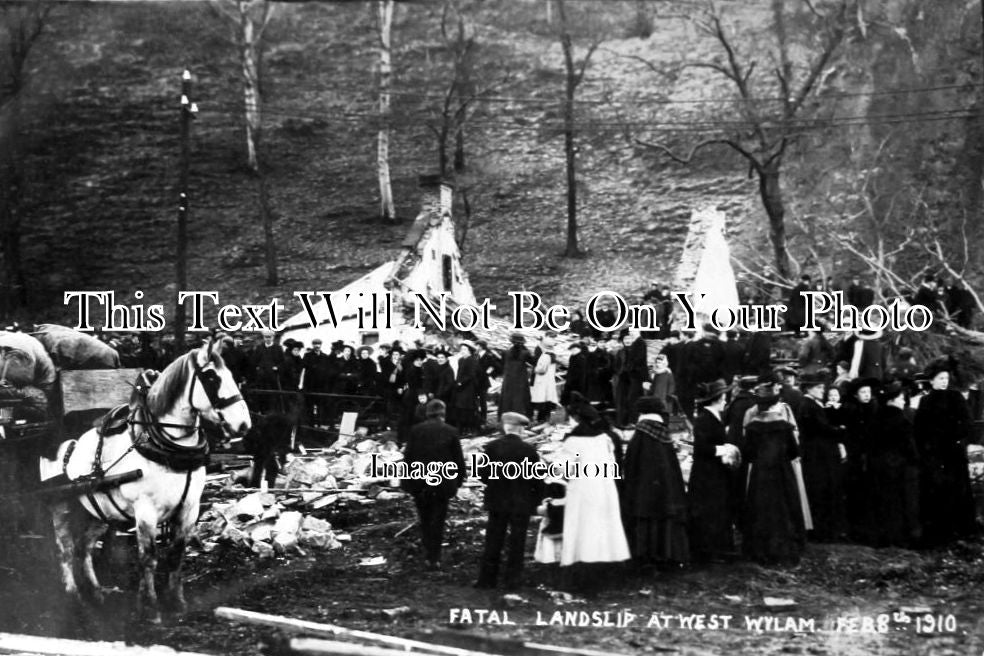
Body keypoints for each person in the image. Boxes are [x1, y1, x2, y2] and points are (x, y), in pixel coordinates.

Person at [556, 395, 631, 592]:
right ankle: (607, 573)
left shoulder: (573, 441)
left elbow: (564, 470)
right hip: (604, 489)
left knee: (582, 531)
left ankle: (583, 577)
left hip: (582, 491)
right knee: (603, 532)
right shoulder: (604, 438)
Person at [475, 412, 545, 589]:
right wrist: (537, 502)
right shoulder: (529, 450)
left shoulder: (491, 447)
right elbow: (537, 479)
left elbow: (482, 476)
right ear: (521, 429)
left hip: (497, 502)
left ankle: (487, 580)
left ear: (505, 427)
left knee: (493, 540)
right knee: (517, 542)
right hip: (521, 503)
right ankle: (513, 581)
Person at [622, 396, 689, 571]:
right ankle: (667, 554)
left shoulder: (640, 434)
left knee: (646, 522)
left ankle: (646, 556)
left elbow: (630, 464)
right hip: (666, 492)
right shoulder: (663, 433)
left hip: (643, 493)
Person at [741, 382, 807, 565]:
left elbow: (748, 454)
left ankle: (760, 551)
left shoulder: (753, 427)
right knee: (783, 509)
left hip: (761, 475)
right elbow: (794, 452)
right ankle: (783, 549)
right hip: (782, 473)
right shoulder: (784, 426)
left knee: (761, 510)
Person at [914, 360, 976, 546]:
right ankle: (938, 533)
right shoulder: (925, 401)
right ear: (931, 381)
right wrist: (927, 448)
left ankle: (961, 531)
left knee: (957, 489)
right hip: (934, 454)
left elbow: (967, 422)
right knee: (936, 490)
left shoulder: (955, 397)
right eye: (940, 378)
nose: (944, 382)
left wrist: (955, 437)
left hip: (953, 452)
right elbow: (920, 429)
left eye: (946, 378)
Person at [401, 400, 466, 570]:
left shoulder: (416, 431)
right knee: (438, 519)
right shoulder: (451, 431)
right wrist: (457, 483)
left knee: (424, 518)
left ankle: (427, 553)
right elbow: (458, 461)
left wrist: (407, 483)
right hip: (443, 483)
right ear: (443, 413)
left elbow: (408, 458)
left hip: (420, 482)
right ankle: (434, 557)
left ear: (427, 413)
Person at [688, 379, 741, 562]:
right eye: (724, 397)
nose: (726, 401)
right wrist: (723, 449)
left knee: (717, 508)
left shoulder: (714, 417)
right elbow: (700, 448)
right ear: (717, 399)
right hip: (707, 473)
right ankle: (710, 551)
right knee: (711, 509)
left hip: (714, 471)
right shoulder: (705, 419)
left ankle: (717, 549)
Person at [868, 381, 920, 547]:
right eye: (900, 398)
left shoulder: (876, 417)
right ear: (891, 400)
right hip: (899, 467)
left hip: (880, 465)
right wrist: (915, 460)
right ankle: (900, 538)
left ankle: (883, 537)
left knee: (883, 502)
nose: (903, 402)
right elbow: (909, 446)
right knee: (900, 502)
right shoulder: (901, 419)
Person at [795, 371, 846, 542]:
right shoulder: (808, 405)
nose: (822, 390)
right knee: (820, 491)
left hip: (819, 453)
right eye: (818, 387)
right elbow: (821, 428)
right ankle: (822, 532)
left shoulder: (813, 404)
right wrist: (841, 431)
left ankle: (824, 530)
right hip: (817, 454)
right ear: (809, 388)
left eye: (822, 387)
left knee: (822, 491)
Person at [842, 377, 879, 541]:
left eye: (868, 392)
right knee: (855, 490)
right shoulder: (850, 410)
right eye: (863, 392)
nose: (867, 395)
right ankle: (855, 529)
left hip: (870, 454)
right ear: (856, 395)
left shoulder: (874, 408)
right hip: (855, 455)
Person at [248, 329, 284, 412]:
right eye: (266, 337)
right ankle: (262, 413)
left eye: (269, 337)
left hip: (273, 377)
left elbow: (282, 362)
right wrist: (257, 368)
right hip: (261, 377)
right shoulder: (259, 348)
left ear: (273, 338)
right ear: (263, 338)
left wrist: (277, 367)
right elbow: (253, 361)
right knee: (262, 396)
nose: (268, 339)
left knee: (273, 397)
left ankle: (273, 413)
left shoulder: (278, 348)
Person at [499, 333, 533, 418]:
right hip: (521, 380)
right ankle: (522, 416)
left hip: (508, 380)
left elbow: (502, 364)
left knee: (507, 398)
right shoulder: (525, 353)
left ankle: (505, 416)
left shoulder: (505, 352)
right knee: (521, 398)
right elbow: (533, 361)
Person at [530, 337, 559, 423]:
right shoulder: (553, 355)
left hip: (542, 380)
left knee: (542, 400)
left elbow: (542, 369)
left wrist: (535, 369)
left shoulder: (545, 356)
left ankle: (541, 419)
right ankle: (546, 418)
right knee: (548, 400)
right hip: (549, 381)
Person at [453, 341, 480, 433]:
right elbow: (459, 373)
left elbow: (471, 375)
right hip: (460, 387)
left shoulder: (472, 360)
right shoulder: (460, 360)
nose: (462, 351)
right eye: (461, 349)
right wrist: (457, 382)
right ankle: (461, 428)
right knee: (460, 407)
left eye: (465, 349)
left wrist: (461, 382)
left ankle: (470, 428)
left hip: (469, 387)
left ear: (469, 351)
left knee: (468, 407)